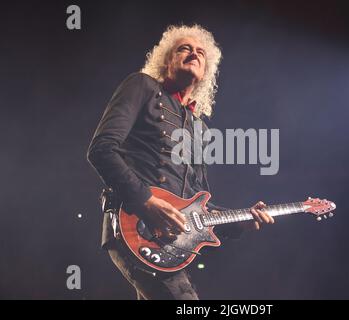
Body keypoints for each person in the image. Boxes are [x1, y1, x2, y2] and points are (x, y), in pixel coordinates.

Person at [87, 24, 274, 300]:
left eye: (200, 52)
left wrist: (242, 221)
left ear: (206, 72)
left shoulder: (200, 128)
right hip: (133, 224)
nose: (193, 53)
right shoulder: (142, 86)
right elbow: (101, 149)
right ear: (166, 61)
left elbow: (197, 204)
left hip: (170, 243)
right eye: (184, 48)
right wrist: (146, 202)